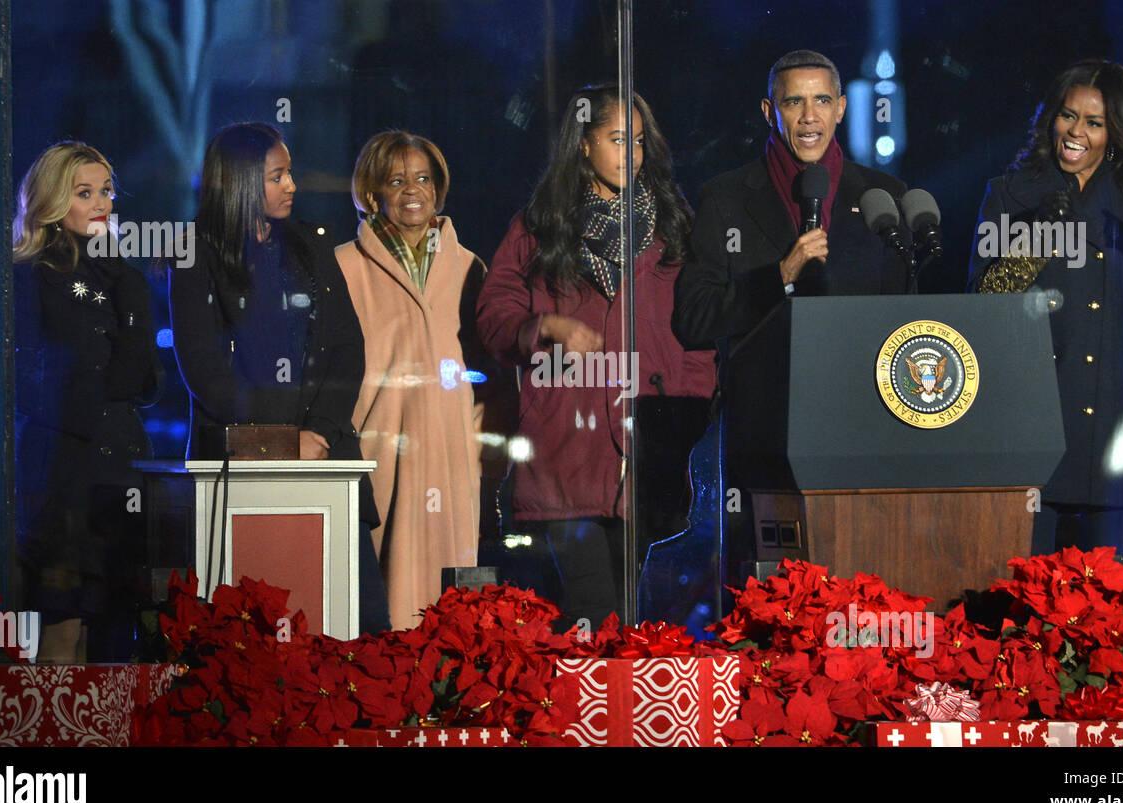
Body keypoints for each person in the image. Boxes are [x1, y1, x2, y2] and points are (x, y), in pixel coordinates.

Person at [476, 85, 716, 628]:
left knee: (642, 620)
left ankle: (633, 713)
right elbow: (493, 317)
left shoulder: (673, 224)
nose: (629, 154)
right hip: (568, 447)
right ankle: (590, 714)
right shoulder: (540, 225)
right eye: (615, 139)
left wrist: (689, 407)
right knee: (591, 613)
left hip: (647, 451)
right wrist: (545, 327)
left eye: (637, 142)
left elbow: (697, 330)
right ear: (583, 144)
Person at [968, 59, 1123, 576]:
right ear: (1049, 118)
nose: (1076, 132)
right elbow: (985, 300)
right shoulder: (1010, 193)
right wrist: (1037, 236)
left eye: (1094, 123)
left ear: (1116, 133)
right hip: (1032, 415)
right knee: (1023, 593)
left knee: (1117, 602)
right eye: (1067, 116)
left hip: (1121, 418)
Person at [168, 122, 389, 632]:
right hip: (241, 466)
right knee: (257, 642)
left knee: (361, 626)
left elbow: (347, 348)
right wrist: (285, 441)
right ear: (241, 182)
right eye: (277, 176)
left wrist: (323, 433)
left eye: (290, 174)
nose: (292, 186)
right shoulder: (195, 251)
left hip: (329, 458)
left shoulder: (311, 246)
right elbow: (205, 371)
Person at [0, 140, 163, 662]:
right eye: (85, 192)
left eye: (106, 191)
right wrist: (87, 399)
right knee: (63, 628)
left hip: (120, 468)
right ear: (55, 200)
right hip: (59, 473)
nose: (101, 203)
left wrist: (131, 292)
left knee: (113, 633)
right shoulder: (21, 275)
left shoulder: (120, 275)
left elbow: (143, 384)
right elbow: (6, 381)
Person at [334, 131, 509, 630]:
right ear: (372, 195)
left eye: (423, 178)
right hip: (377, 456)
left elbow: (494, 381)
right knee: (381, 602)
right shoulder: (343, 267)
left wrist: (486, 463)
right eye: (396, 179)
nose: (413, 189)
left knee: (452, 606)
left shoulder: (470, 267)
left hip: (454, 460)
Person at [673, 49, 912, 349]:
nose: (809, 117)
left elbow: (905, 319)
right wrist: (780, 277)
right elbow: (694, 318)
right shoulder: (725, 198)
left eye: (822, 101)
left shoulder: (884, 195)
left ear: (840, 109)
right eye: (794, 102)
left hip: (859, 385)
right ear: (769, 111)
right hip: (766, 390)